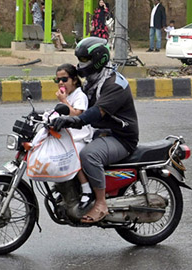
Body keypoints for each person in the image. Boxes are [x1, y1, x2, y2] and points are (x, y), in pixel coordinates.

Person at [52, 37, 139, 223]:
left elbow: (96, 112)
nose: (81, 65)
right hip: (100, 133)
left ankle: (100, 203)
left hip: (120, 137)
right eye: (80, 60)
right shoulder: (93, 80)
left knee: (88, 155)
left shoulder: (115, 84)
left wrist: (75, 120)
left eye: (84, 60)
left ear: (98, 59)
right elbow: (79, 105)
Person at [52, 63, 94, 207]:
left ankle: (86, 189)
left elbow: (77, 114)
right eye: (58, 80)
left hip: (80, 137)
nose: (61, 83)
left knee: (72, 155)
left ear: (74, 80)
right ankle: (65, 186)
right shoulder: (68, 95)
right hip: (68, 136)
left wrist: (63, 101)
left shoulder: (79, 96)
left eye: (64, 79)